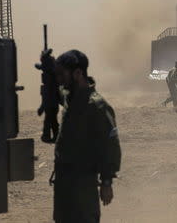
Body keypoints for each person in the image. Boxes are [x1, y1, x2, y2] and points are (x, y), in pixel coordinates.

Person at [51, 49, 121, 223]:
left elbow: (109, 146)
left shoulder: (97, 106)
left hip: (83, 185)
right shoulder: (69, 97)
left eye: (63, 75)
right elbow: (55, 89)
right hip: (63, 184)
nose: (60, 80)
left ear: (78, 73)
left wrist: (106, 182)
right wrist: (47, 66)